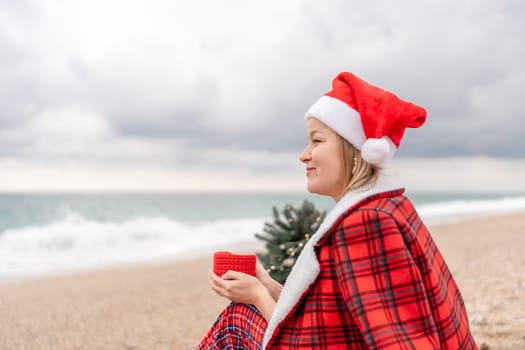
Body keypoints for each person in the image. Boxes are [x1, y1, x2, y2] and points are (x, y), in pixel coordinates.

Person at [198, 71, 478, 349]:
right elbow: (331, 320)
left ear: (354, 151)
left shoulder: (364, 223)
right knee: (240, 314)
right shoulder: (387, 204)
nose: (303, 154)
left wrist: (258, 296)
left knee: (235, 322)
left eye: (317, 141)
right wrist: (268, 285)